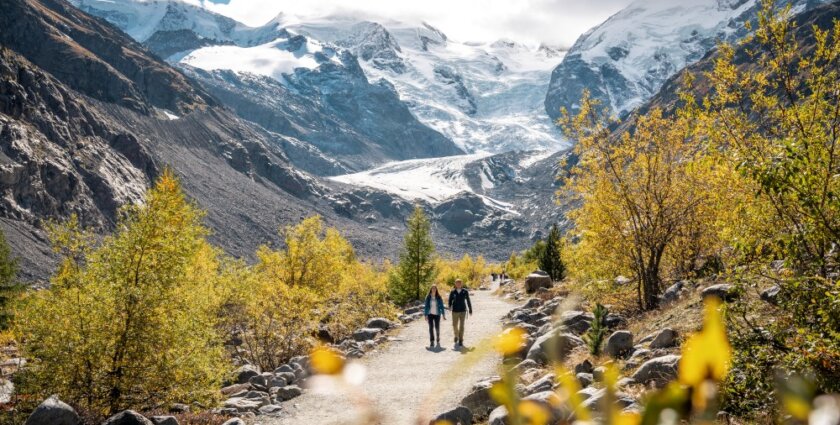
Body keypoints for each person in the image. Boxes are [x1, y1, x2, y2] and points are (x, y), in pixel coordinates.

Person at [448, 279, 473, 347]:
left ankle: (461, 339)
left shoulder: (465, 291)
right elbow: (450, 300)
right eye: (457, 283)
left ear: (461, 284)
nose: (458, 284)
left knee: (461, 326)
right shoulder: (453, 291)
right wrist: (450, 306)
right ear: (455, 284)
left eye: (459, 283)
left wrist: (470, 309)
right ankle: (456, 335)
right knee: (454, 325)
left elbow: (468, 300)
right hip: (455, 311)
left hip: (463, 311)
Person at [423, 284, 446, 348]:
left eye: (434, 288)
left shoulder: (439, 297)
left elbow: (441, 306)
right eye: (432, 288)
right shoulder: (428, 297)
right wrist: (425, 315)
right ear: (431, 289)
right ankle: (432, 341)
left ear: (436, 289)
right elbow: (426, 306)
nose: (433, 289)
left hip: (437, 314)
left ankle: (438, 337)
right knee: (431, 327)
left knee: (437, 327)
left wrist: (443, 314)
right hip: (430, 314)